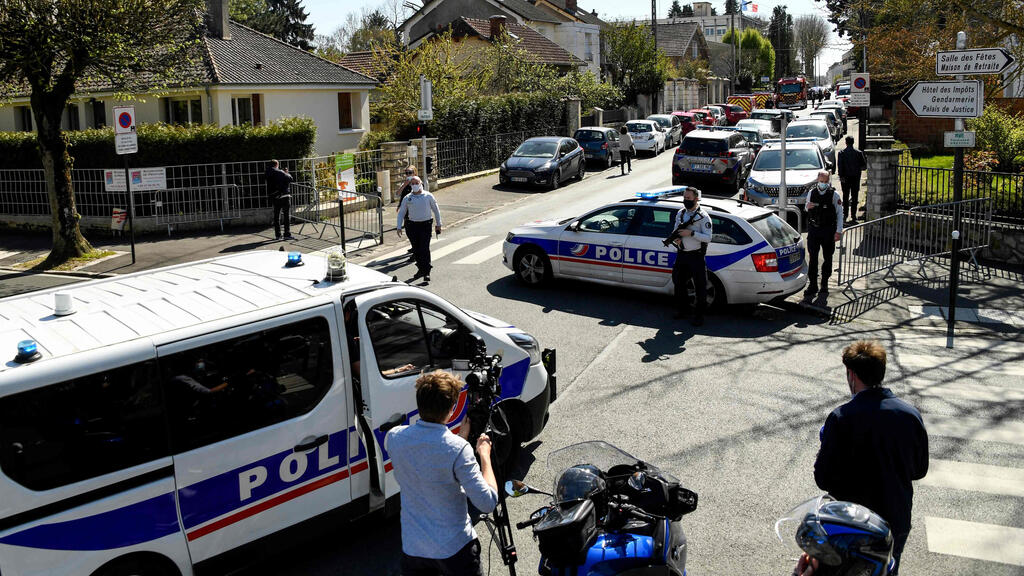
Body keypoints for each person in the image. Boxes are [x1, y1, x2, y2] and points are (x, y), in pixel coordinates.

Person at [814, 341, 928, 576]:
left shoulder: (841, 418)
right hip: (895, 517)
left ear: (852, 375)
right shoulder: (910, 415)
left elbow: (823, 478)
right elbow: (919, 470)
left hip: (851, 522)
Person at [386, 371, 498, 576]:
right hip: (455, 551)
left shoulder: (394, 438)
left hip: (414, 549)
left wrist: (461, 439)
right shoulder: (457, 450)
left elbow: (428, 458)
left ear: (419, 404)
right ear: (452, 408)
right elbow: (487, 502)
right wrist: (484, 455)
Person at [669, 188, 712, 326]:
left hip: (696, 256)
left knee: (700, 286)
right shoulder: (681, 213)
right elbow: (675, 230)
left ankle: (699, 315)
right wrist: (677, 238)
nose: (686, 200)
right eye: (685, 197)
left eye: (689, 198)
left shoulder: (703, 217)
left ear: (696, 199)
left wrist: (691, 234)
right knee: (678, 282)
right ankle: (682, 309)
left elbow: (708, 238)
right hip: (682, 254)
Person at [804, 170, 843, 298]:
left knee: (828, 258)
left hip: (828, 230)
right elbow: (806, 207)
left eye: (826, 182)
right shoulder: (812, 193)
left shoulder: (834, 195)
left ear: (829, 182)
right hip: (814, 230)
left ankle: (824, 284)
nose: (823, 184)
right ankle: (813, 284)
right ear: (817, 181)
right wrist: (807, 207)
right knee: (813, 258)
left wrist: (838, 231)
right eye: (821, 181)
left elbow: (839, 214)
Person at [396, 176, 442, 282]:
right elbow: (402, 212)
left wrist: (439, 224)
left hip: (425, 225)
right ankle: (421, 269)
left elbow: (436, 210)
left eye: (416, 183)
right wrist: (399, 226)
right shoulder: (407, 198)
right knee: (416, 250)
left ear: (421, 183)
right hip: (412, 226)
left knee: (424, 248)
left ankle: (426, 272)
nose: (414, 185)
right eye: (412, 184)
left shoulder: (428, 196)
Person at [837, 136, 868, 224]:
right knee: (855, 197)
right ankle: (853, 215)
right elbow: (864, 166)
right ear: (853, 142)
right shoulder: (858, 153)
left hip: (845, 179)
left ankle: (845, 214)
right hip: (855, 178)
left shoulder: (841, 153)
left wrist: (841, 176)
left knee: (845, 197)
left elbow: (840, 167)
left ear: (846, 143)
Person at [265, 159, 294, 240]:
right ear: (276, 165)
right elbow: (290, 179)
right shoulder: (279, 172)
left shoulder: (267, 173)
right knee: (286, 215)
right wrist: (286, 172)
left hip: (274, 196)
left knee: (276, 216)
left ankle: (278, 235)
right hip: (283, 196)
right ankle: (287, 234)